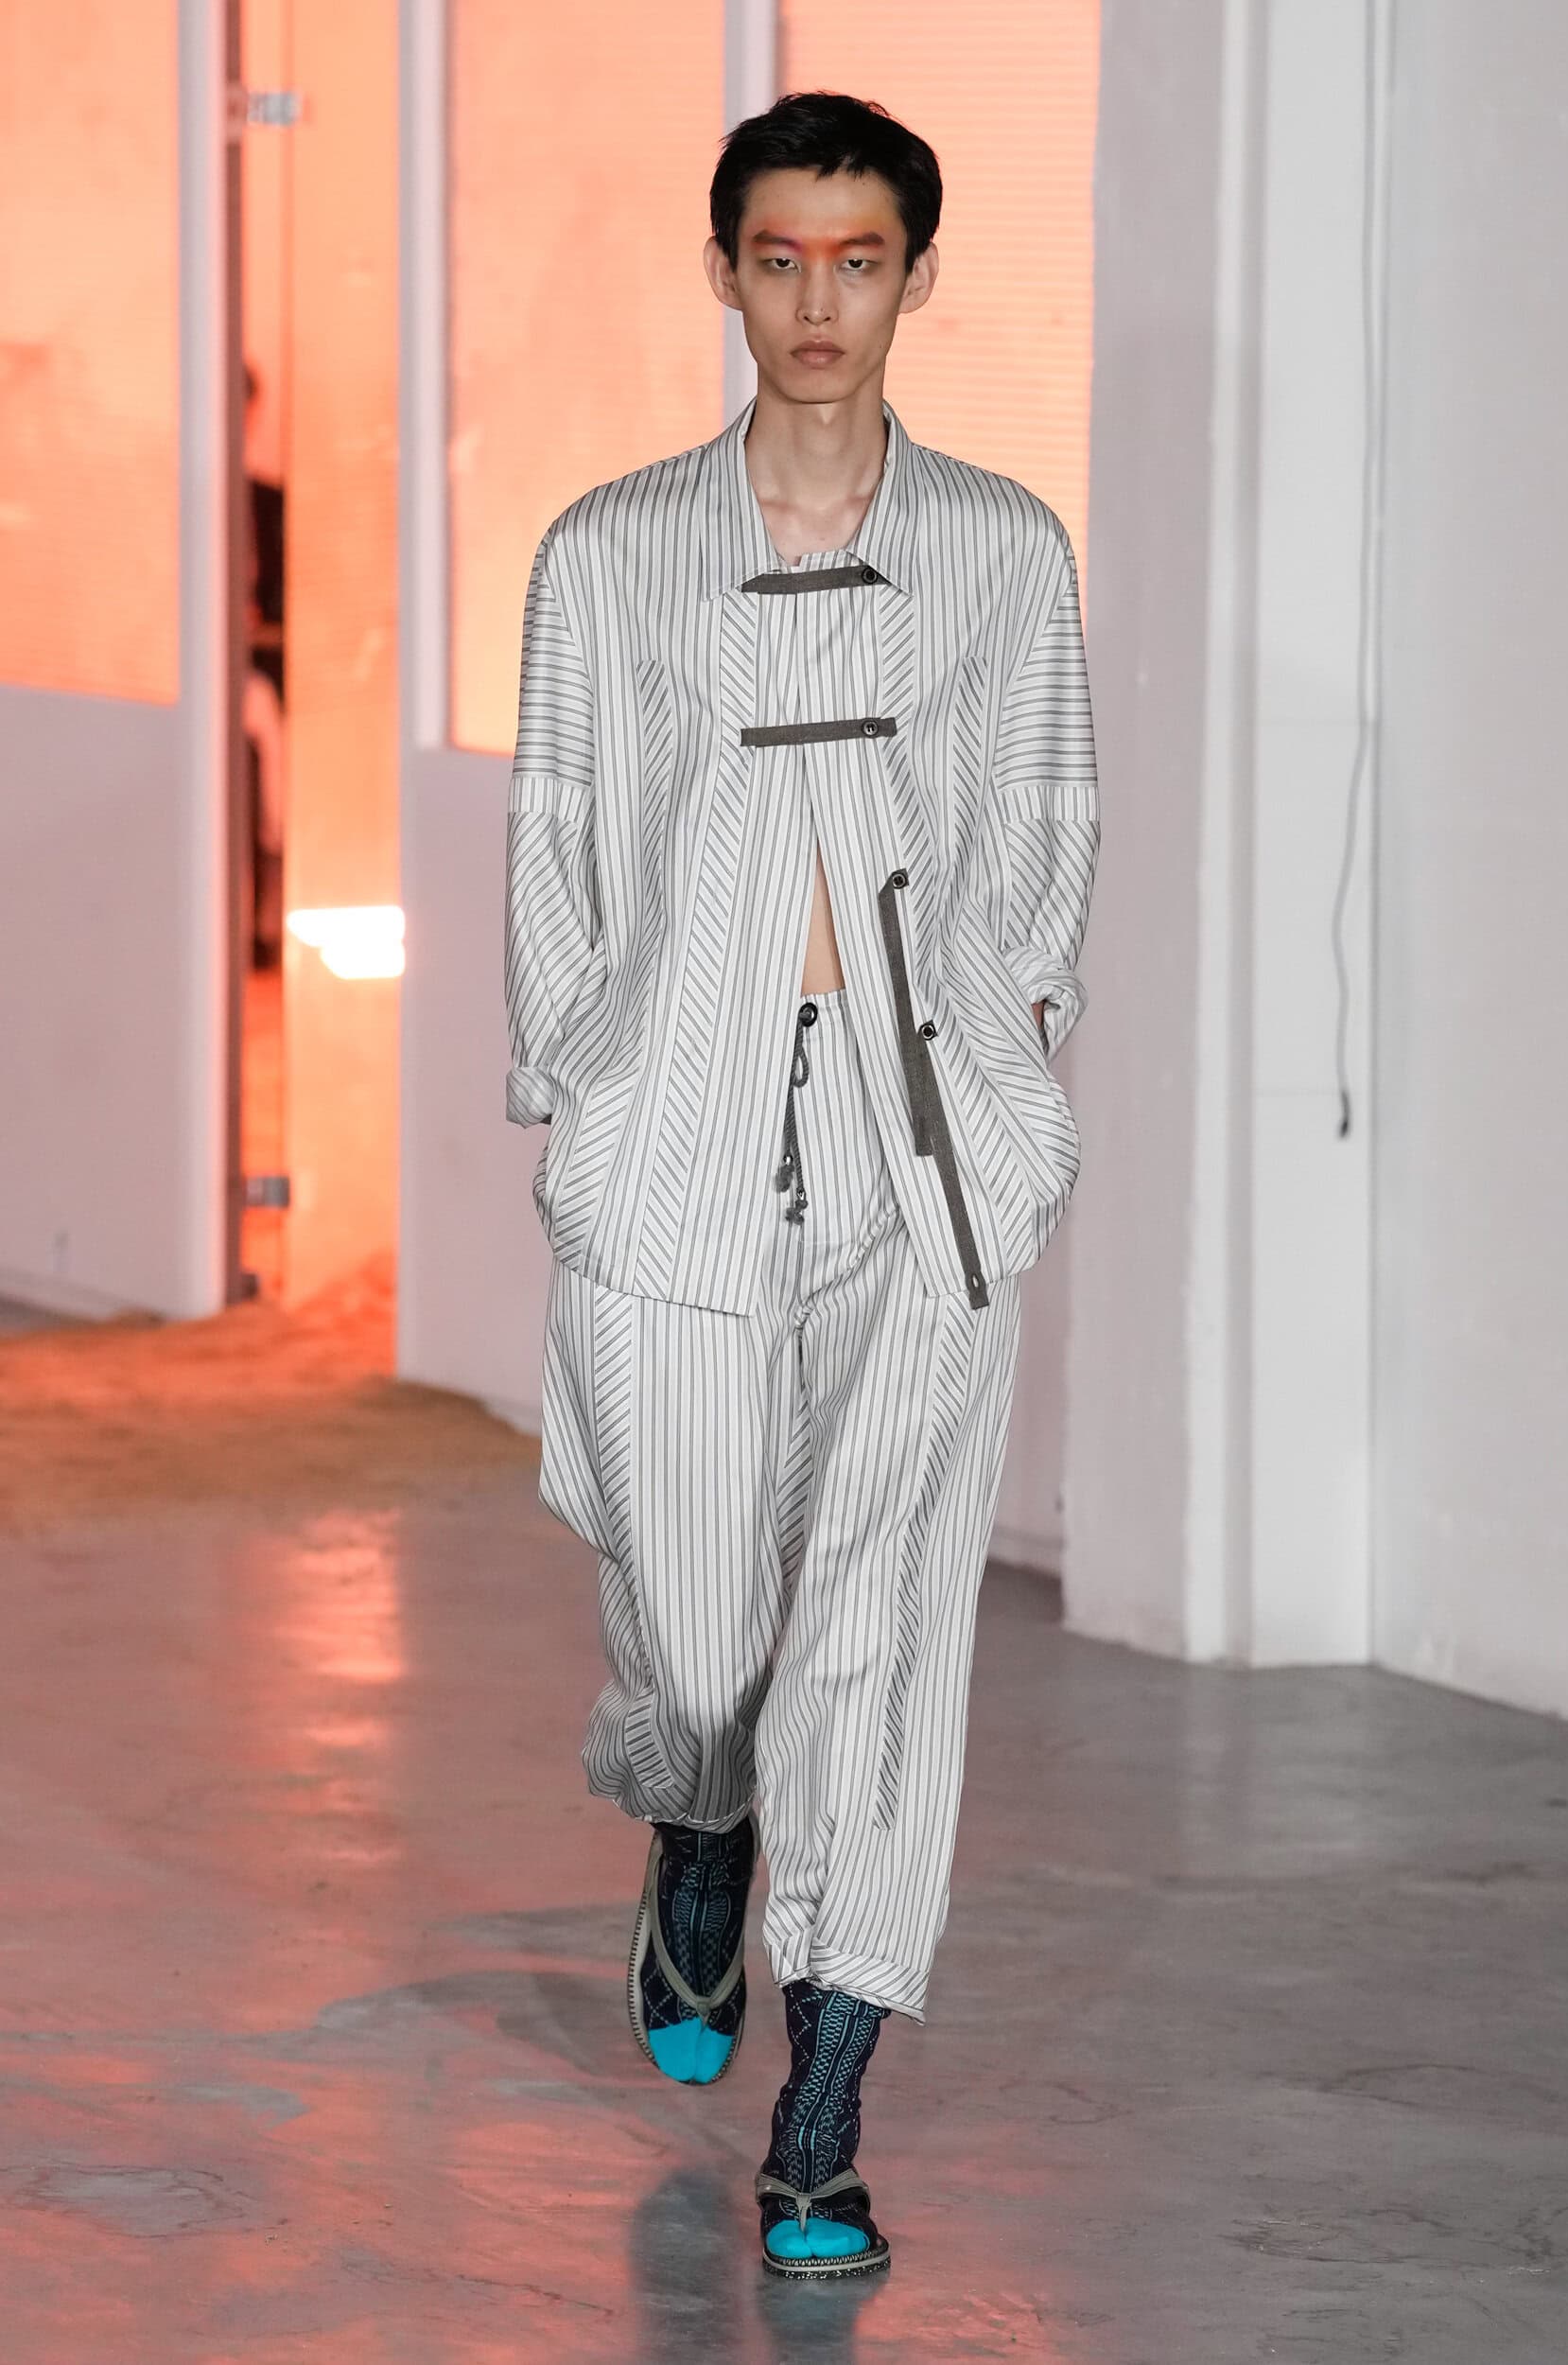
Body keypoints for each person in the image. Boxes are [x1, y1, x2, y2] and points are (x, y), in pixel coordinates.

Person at [504, 91, 1099, 2281]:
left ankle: (824, 2117)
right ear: (726, 273)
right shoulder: (609, 552)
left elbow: (1044, 821)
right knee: (695, 1621)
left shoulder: (1004, 552)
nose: (818, 300)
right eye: (780, 257)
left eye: (859, 259)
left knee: (884, 1633)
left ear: (915, 278)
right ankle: (700, 1808)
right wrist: (583, 1090)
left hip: (917, 1155)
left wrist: (1008, 1081)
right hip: (675, 1136)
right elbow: (558, 826)